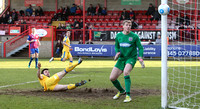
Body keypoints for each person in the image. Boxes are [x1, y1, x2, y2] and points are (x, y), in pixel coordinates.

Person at [109, 20, 145, 103]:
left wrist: (140, 57)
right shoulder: (118, 36)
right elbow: (116, 46)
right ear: (123, 26)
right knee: (112, 78)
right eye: (127, 25)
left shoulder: (134, 36)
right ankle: (122, 91)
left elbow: (140, 47)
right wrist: (117, 52)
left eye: (130, 25)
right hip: (121, 58)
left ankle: (128, 95)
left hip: (131, 58)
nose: (128, 27)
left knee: (126, 72)